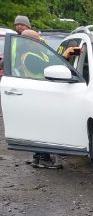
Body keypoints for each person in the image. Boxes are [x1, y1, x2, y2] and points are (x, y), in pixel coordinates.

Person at [12, 17, 64, 169]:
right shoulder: (29, 57)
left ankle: (39, 157)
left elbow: (52, 61)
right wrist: (65, 56)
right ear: (29, 43)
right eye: (36, 41)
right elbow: (47, 66)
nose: (39, 43)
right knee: (42, 127)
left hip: (42, 94)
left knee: (40, 126)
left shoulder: (38, 53)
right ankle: (42, 158)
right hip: (38, 95)